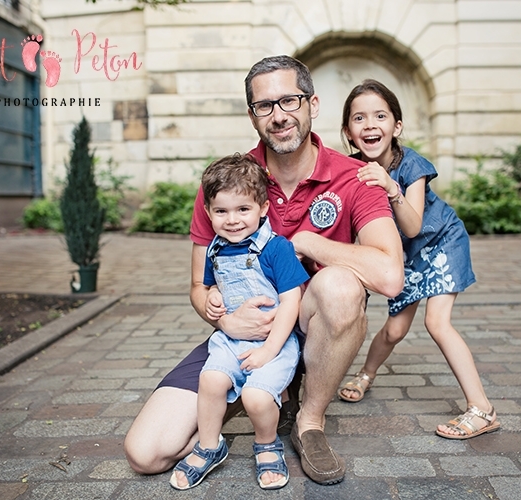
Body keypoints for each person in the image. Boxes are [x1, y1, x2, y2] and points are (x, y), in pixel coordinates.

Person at [124, 56, 404, 486]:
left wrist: (309, 243)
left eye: (289, 100)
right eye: (264, 105)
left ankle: (308, 421)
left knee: (340, 286)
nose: (279, 115)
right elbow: (199, 287)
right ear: (252, 115)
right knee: (146, 453)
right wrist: (222, 316)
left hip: (312, 330)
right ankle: (254, 401)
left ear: (312, 103)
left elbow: (389, 276)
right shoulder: (228, 184)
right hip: (242, 339)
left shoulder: (353, 178)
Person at [337, 79, 500, 440]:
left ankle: (482, 409)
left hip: (441, 242)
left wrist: (389, 186)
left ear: (396, 126)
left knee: (437, 323)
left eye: (380, 116)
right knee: (395, 329)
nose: (370, 125)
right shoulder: (350, 170)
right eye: (359, 118)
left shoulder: (413, 166)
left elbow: (412, 226)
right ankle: (366, 374)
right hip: (405, 257)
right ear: (348, 131)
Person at [169, 154, 309, 490]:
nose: (232, 220)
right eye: (221, 211)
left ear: (262, 208)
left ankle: (266, 444)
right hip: (230, 342)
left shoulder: (276, 248)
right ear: (209, 213)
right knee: (211, 380)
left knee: (257, 398)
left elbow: (292, 300)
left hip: (272, 341)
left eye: (242, 209)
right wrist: (214, 296)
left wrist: (270, 350)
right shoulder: (216, 250)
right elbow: (209, 285)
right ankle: (209, 445)